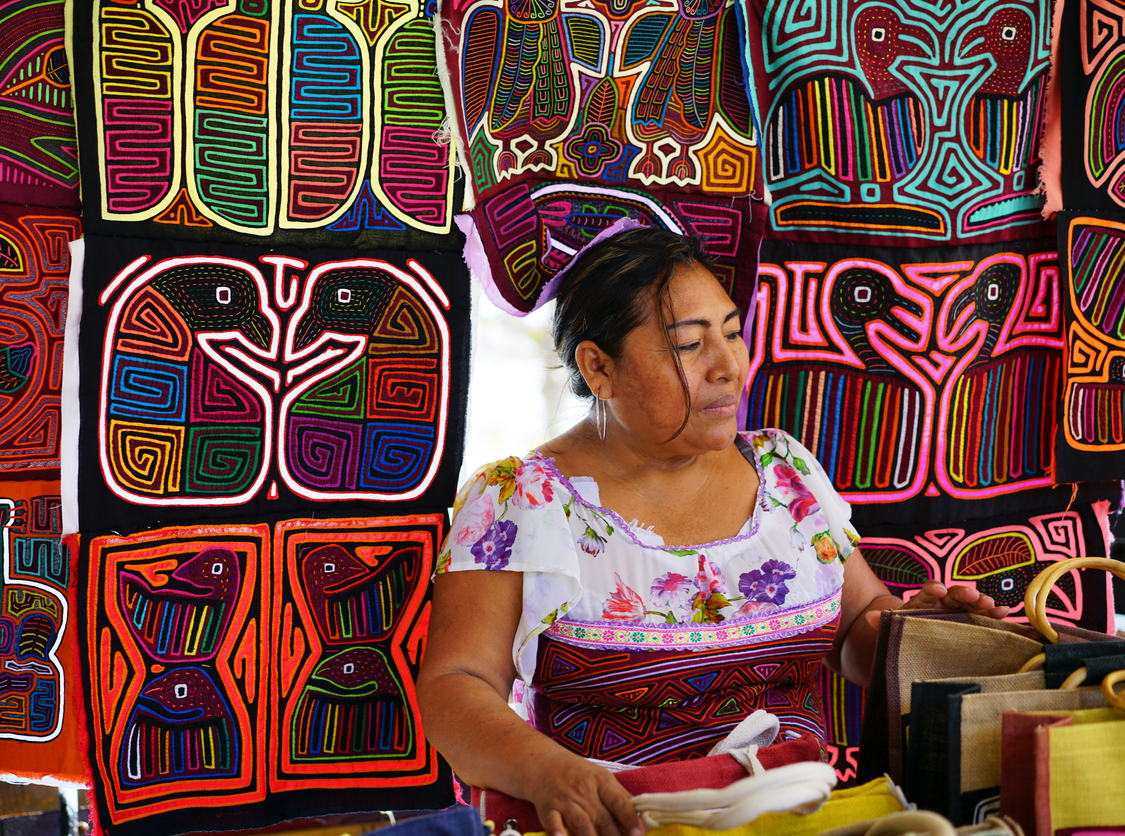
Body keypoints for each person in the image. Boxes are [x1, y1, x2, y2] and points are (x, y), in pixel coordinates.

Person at [416, 227, 1007, 836]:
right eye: (690, 345)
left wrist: (918, 635)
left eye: (730, 333)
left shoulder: (786, 471)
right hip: (622, 821)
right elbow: (457, 683)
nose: (728, 367)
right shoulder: (521, 501)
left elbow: (858, 629)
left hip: (798, 818)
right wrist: (548, 774)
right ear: (598, 366)